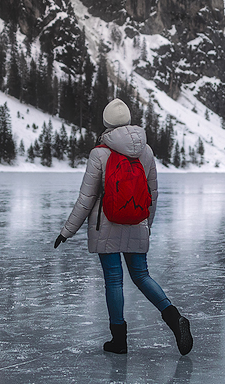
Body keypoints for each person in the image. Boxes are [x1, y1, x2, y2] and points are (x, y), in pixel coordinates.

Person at [53, 98, 193, 355]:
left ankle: (119, 340)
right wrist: (145, 224)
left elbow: (86, 200)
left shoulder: (99, 153)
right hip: (137, 222)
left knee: (114, 281)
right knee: (141, 275)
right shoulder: (146, 151)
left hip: (106, 226)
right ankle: (174, 318)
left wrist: (67, 231)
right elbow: (152, 194)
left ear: (106, 123)